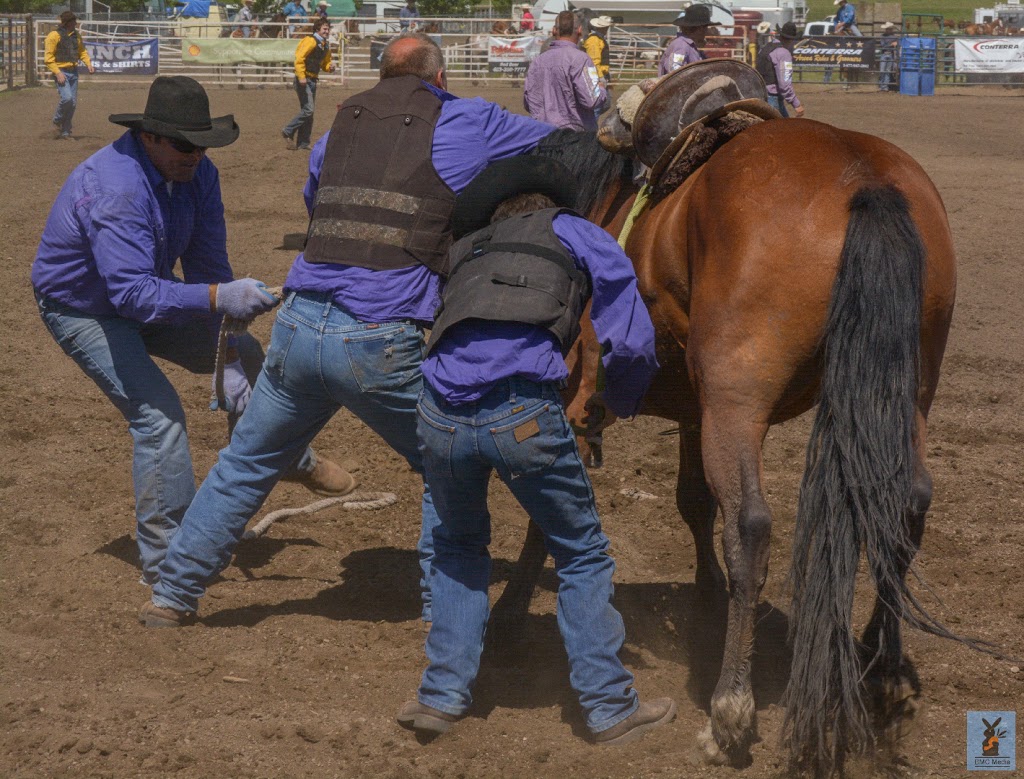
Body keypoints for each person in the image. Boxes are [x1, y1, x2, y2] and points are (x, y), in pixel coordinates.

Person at [139, 33, 557, 628]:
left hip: (301, 321)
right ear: (439, 79)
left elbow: (319, 208)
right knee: (448, 464)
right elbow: (559, 145)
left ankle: (172, 595)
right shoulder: (467, 119)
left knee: (247, 461)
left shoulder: (335, 134)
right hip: (379, 336)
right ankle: (450, 619)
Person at [32, 76, 352, 589]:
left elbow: (205, 264)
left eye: (202, 144)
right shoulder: (115, 187)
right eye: (184, 144)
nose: (196, 154)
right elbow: (133, 295)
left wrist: (229, 315)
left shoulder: (198, 176)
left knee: (245, 353)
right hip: (84, 310)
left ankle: (286, 455)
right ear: (150, 137)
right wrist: (215, 298)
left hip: (141, 295)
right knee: (159, 419)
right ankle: (167, 561)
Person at [397, 154, 672, 745]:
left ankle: (441, 696)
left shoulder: (468, 245)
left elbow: (426, 312)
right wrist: (613, 402)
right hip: (522, 412)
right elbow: (629, 335)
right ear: (550, 205)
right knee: (581, 552)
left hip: (437, 413)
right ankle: (607, 705)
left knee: (455, 546)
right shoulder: (575, 231)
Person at [523, 10, 607, 131]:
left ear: (554, 30)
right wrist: (601, 88)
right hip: (575, 137)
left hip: (543, 136)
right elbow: (591, 100)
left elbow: (528, 103)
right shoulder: (582, 59)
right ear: (579, 30)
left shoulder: (537, 62)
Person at [282, 18, 334, 151]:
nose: (327, 31)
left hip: (312, 80)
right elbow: (299, 58)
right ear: (318, 29)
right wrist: (301, 76)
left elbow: (325, 63)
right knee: (309, 110)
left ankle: (303, 143)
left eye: (328, 29)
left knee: (308, 111)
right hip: (304, 80)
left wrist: (330, 67)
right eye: (324, 29)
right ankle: (288, 131)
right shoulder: (310, 41)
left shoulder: (325, 45)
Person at [44, 11, 94, 141]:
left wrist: (88, 63)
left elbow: (82, 51)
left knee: (72, 103)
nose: (76, 23)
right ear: (67, 23)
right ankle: (57, 120)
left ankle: (66, 132)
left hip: (73, 71)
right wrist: (58, 72)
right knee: (67, 98)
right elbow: (49, 58)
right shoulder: (54, 36)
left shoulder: (76, 35)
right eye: (73, 21)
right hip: (61, 71)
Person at [756, 21, 804, 117]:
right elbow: (784, 84)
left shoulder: (765, 48)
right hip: (773, 98)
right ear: (791, 39)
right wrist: (796, 103)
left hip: (759, 94)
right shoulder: (784, 53)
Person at [658, 4, 710, 76]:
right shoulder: (681, 45)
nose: (707, 31)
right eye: (706, 27)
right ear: (700, 29)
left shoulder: (690, 46)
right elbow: (675, 73)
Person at [582, 15, 614, 120]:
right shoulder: (594, 40)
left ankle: (589, 122)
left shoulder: (597, 39)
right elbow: (594, 61)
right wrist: (599, 78)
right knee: (598, 104)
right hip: (595, 76)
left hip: (599, 74)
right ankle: (590, 127)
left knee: (605, 103)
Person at [878, 21, 898, 91]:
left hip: (890, 54)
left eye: (889, 29)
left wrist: (896, 44)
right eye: (887, 29)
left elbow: (883, 46)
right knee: (882, 70)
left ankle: (885, 86)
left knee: (887, 71)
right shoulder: (883, 36)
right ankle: (882, 86)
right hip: (885, 54)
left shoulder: (894, 37)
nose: (888, 30)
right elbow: (883, 46)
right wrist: (891, 45)